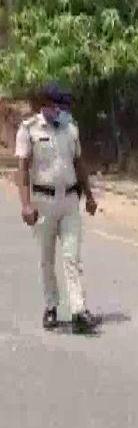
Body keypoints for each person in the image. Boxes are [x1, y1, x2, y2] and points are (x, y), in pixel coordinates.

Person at [15, 82, 99, 334]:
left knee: (71, 258)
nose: (64, 111)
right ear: (47, 106)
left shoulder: (71, 129)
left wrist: (90, 196)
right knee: (46, 259)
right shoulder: (28, 130)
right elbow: (22, 170)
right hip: (43, 202)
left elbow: (79, 163)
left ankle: (78, 311)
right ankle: (51, 307)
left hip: (70, 200)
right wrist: (26, 204)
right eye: (60, 106)